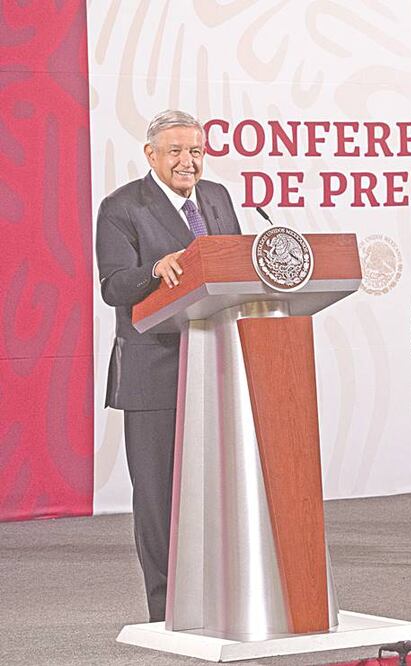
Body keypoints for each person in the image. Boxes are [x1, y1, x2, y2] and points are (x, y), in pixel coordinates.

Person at [96, 110, 241, 620]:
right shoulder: (122, 207)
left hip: (216, 363)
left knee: (219, 488)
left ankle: (221, 598)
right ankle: (166, 609)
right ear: (151, 155)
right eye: (176, 151)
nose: (188, 161)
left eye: (196, 150)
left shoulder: (218, 198)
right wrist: (153, 271)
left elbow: (234, 263)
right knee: (158, 497)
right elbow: (113, 285)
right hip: (153, 371)